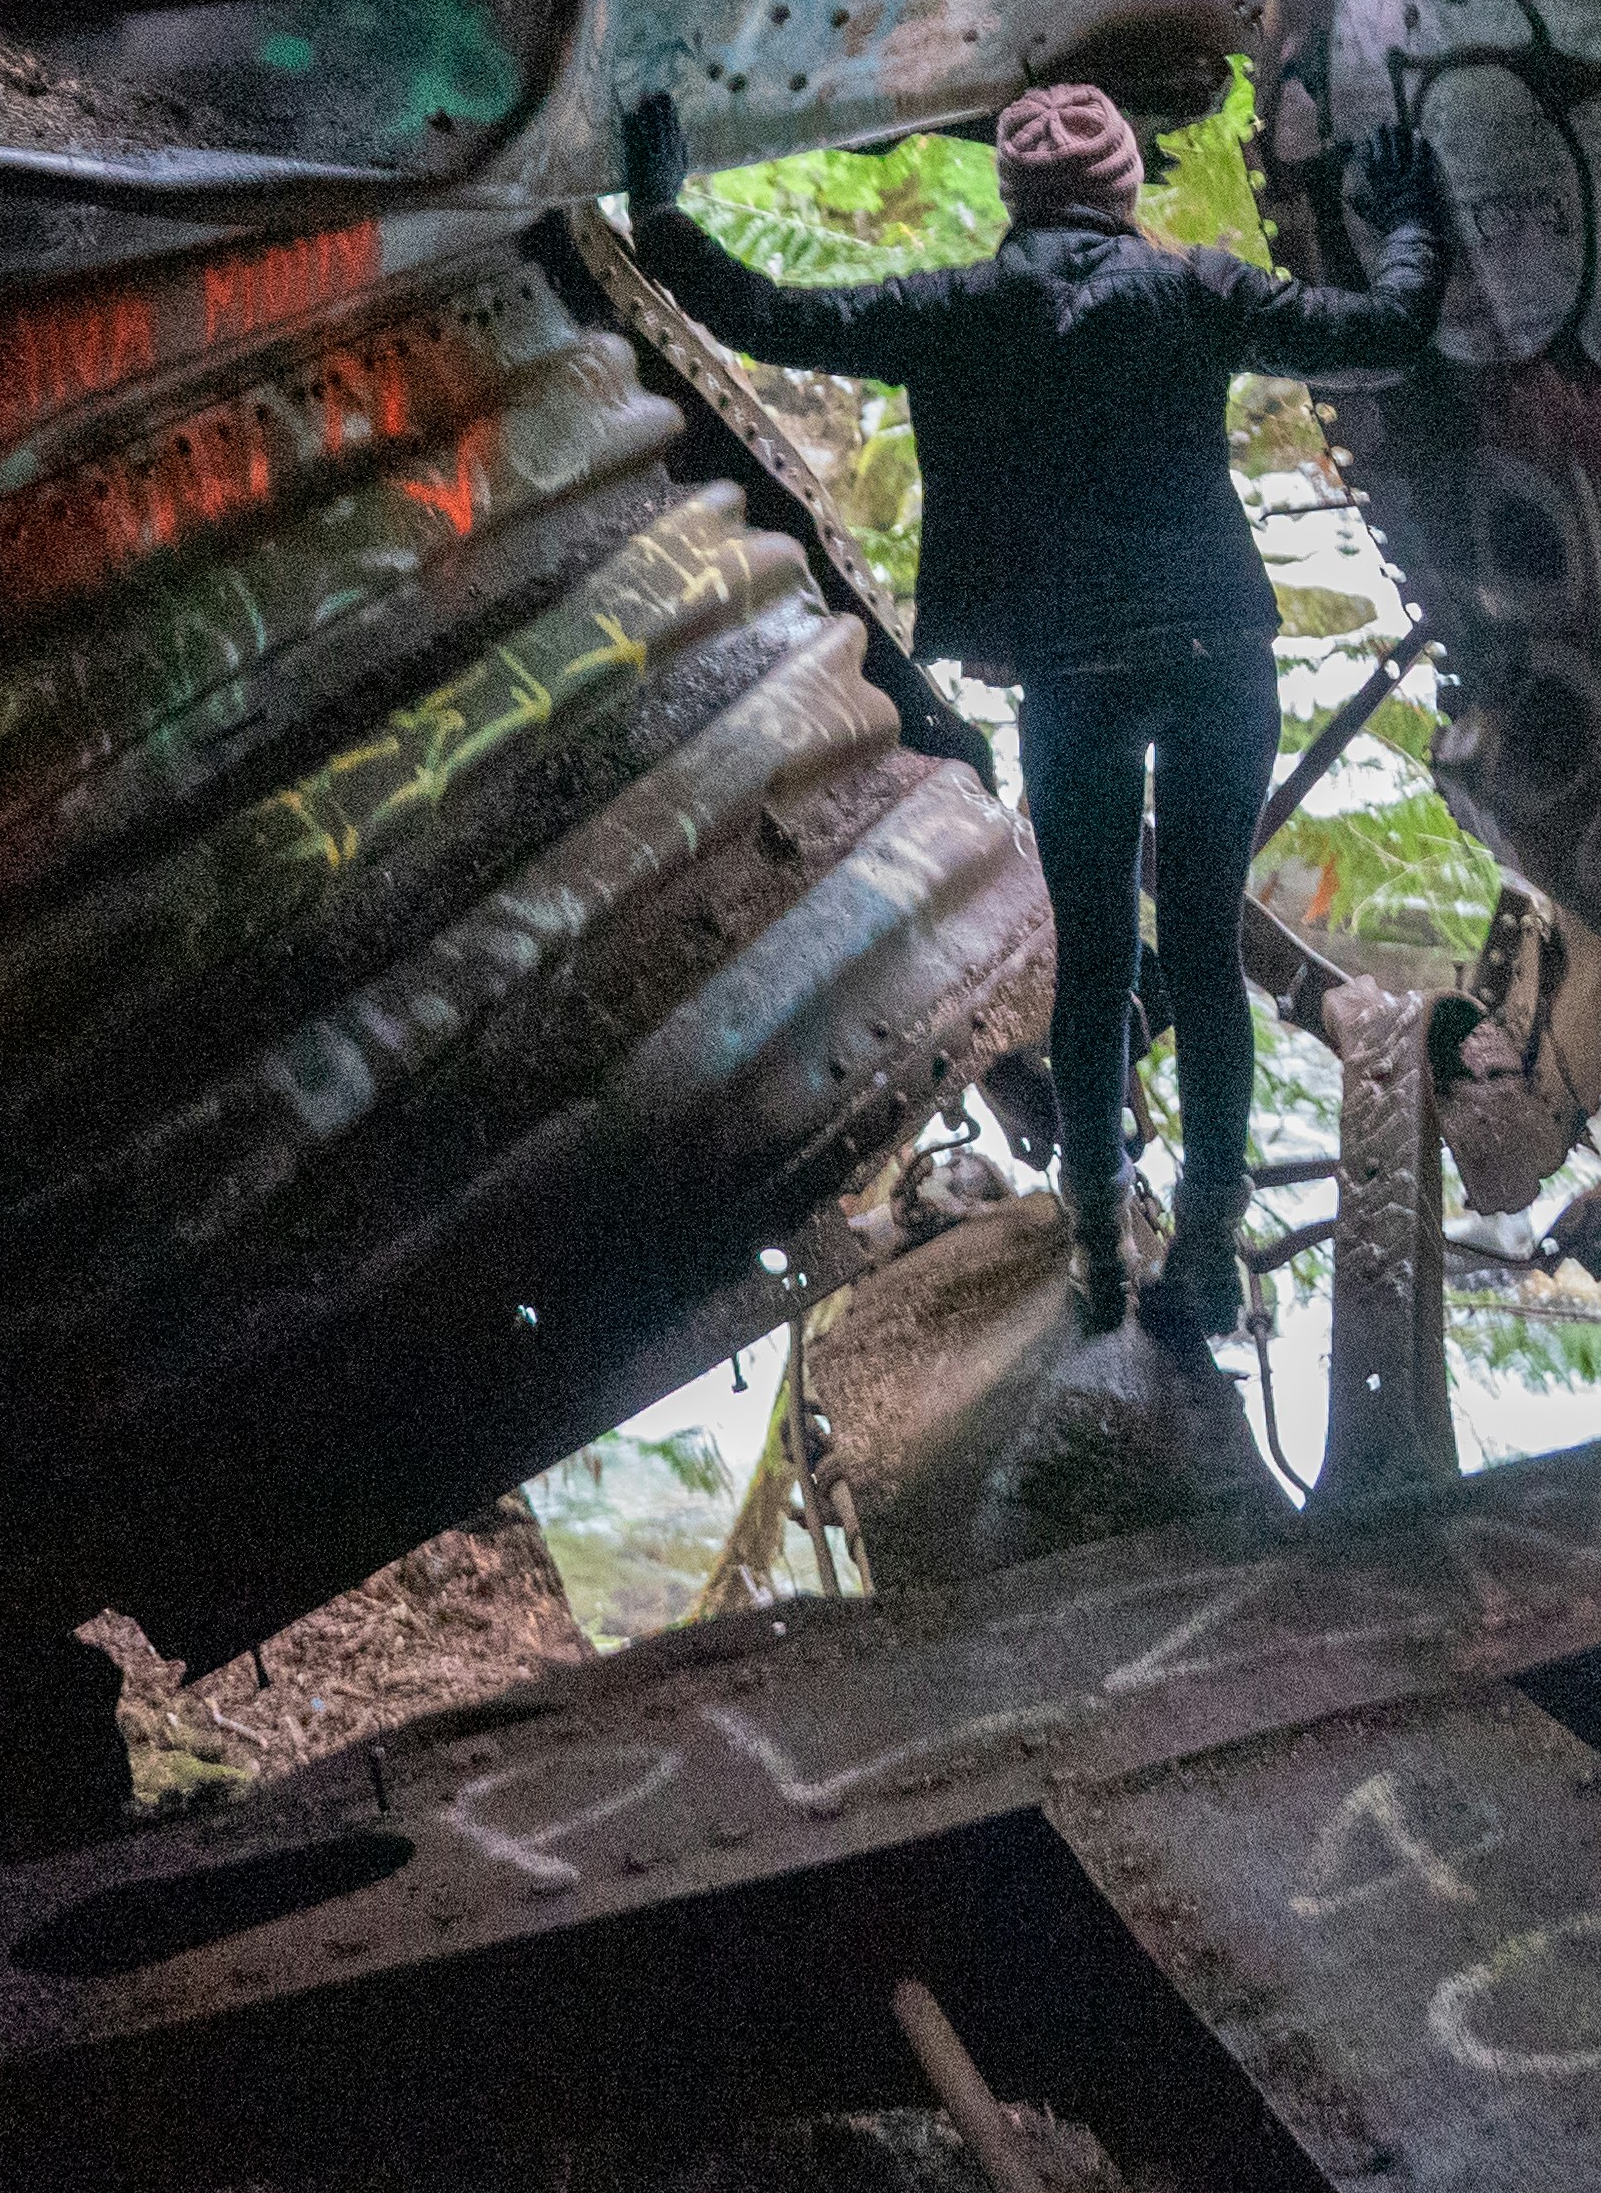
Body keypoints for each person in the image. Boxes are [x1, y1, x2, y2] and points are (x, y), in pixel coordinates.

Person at [620, 77, 1446, 1336]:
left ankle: (1100, 1239)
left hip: (1074, 671)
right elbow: (1389, 325)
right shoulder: (1199, 289)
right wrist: (1404, 217)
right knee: (1214, 948)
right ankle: (1212, 1248)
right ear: (1125, 189)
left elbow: (760, 311)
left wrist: (660, 204)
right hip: (1220, 646)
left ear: (1012, 194)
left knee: (1099, 954)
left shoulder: (958, 307)